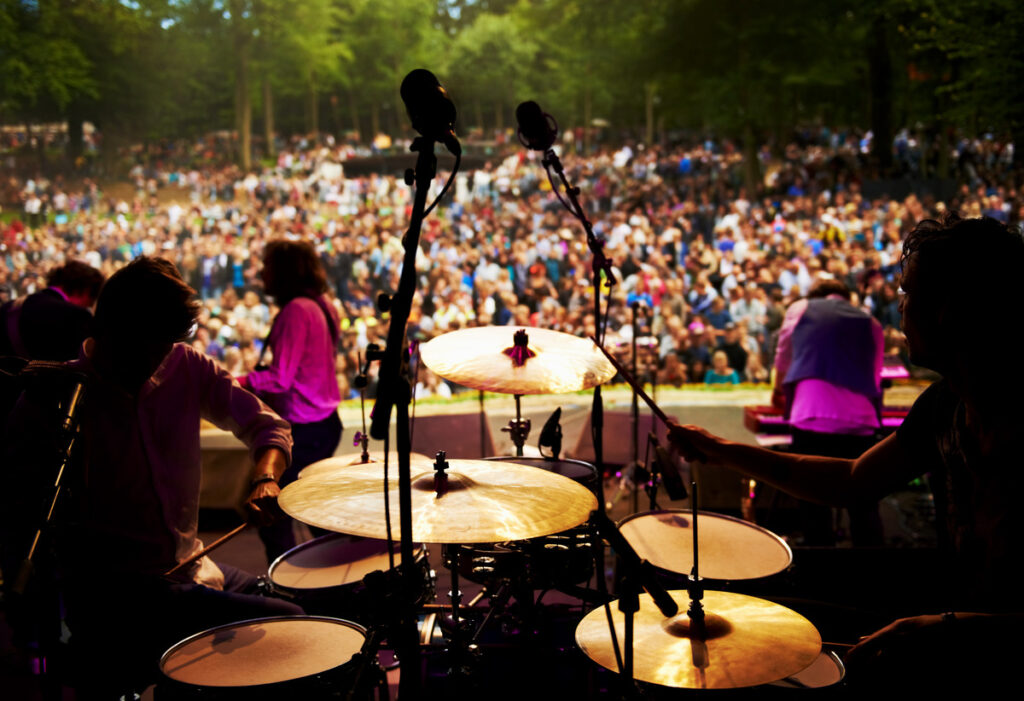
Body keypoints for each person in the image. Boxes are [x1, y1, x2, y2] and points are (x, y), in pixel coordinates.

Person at [668, 214, 1024, 691]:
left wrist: (943, 629)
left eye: (909, 292)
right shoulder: (943, 407)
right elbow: (853, 480)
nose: (899, 306)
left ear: (951, 309)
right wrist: (722, 450)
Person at [2, 257, 302, 695]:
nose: (161, 357)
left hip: (189, 565)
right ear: (112, 330)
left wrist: (265, 478)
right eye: (152, 344)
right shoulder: (57, 400)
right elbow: (14, 508)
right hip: (118, 593)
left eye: (167, 345)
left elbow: (267, 426)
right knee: (289, 625)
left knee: (296, 598)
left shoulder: (184, 363)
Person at [239, 239, 342, 562]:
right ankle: (334, 577)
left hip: (304, 426)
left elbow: (281, 379)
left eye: (267, 267)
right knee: (312, 511)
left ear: (284, 271)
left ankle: (292, 587)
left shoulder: (296, 310)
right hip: (325, 422)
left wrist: (238, 381)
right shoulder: (323, 305)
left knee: (273, 513)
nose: (262, 275)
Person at [771, 278, 884, 545]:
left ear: (815, 296)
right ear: (846, 298)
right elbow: (876, 375)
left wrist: (778, 391)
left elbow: (783, 354)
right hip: (861, 421)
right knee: (864, 506)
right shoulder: (872, 322)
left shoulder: (801, 309)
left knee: (813, 503)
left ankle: (820, 576)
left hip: (811, 416)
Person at [0, 261, 104, 361]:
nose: (90, 305)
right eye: (92, 299)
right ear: (85, 290)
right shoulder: (77, 316)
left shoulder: (9, 306)